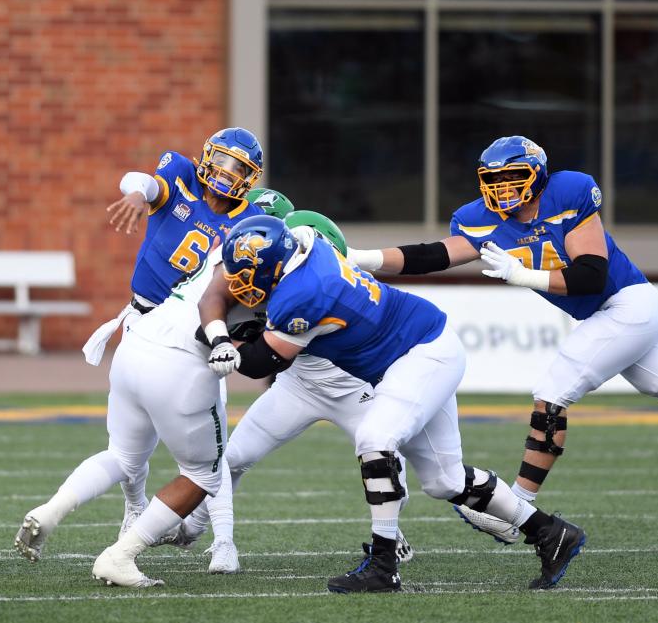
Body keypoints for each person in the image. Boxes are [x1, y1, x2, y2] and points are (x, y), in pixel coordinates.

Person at [199, 215, 585, 592]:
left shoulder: (304, 294)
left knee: (374, 437)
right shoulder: (303, 238)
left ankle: (384, 564)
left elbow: (260, 364)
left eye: (246, 274)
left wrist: (221, 343)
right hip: (421, 346)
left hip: (419, 355)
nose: (239, 285)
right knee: (444, 481)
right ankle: (551, 532)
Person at [346, 135, 658, 540]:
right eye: (495, 178)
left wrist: (524, 275)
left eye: (514, 176)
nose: (504, 186)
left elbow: (592, 273)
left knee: (551, 394)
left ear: (537, 173)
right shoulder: (479, 218)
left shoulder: (569, 192)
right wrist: (363, 258)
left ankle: (516, 506)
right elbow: (431, 254)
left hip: (628, 304)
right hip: (608, 316)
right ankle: (519, 506)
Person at [15, 212, 277, 587]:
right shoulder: (281, 271)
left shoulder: (224, 251)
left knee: (121, 455)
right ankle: (120, 556)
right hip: (181, 362)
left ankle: (51, 509)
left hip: (137, 342)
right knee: (203, 473)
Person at [168, 209, 414, 574]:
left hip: (351, 386)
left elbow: (261, 361)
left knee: (389, 468)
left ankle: (388, 538)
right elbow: (218, 301)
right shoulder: (274, 270)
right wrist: (224, 336)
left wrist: (235, 344)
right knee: (231, 458)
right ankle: (194, 527)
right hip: (298, 385)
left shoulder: (321, 284)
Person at [80, 128, 268, 537]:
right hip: (143, 322)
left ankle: (220, 541)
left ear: (250, 177)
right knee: (132, 440)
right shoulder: (180, 176)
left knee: (213, 438)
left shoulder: (247, 221)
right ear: (206, 156)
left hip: (197, 332)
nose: (225, 171)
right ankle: (135, 507)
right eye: (221, 160)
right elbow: (140, 181)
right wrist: (135, 195)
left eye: (238, 167)